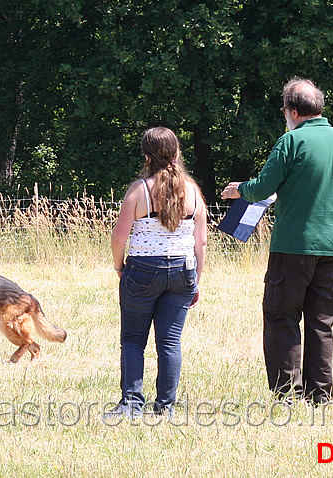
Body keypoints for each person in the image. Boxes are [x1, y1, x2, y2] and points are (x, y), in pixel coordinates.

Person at [221, 78, 333, 405]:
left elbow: (261, 188)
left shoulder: (291, 142)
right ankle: (320, 396)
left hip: (293, 246)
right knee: (321, 324)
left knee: (282, 316)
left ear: (292, 110)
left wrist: (238, 190)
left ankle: (287, 395)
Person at [106, 126, 207, 418]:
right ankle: (166, 407)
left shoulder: (140, 190)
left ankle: (131, 404)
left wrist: (118, 266)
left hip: (143, 269)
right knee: (170, 341)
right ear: (177, 153)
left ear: (146, 155)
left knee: (133, 339)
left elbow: (119, 237)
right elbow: (201, 241)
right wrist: (195, 281)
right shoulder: (193, 191)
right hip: (183, 270)